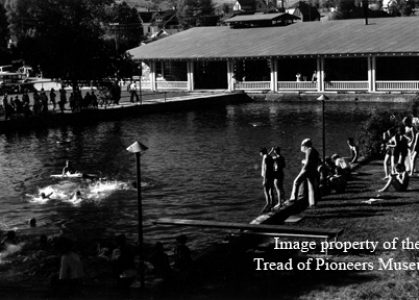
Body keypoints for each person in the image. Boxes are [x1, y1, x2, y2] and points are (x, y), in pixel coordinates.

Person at [289, 138, 321, 207]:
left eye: (303, 145)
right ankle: (313, 203)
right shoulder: (315, 151)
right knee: (311, 186)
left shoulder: (309, 150)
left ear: (306, 145)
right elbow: (316, 161)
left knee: (296, 182)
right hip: (313, 170)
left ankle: (293, 198)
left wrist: (303, 167)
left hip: (307, 170)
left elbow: (308, 162)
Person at [260, 147, 275, 212]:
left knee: (266, 191)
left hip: (267, 177)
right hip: (272, 176)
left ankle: (268, 204)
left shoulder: (265, 158)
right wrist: (271, 151)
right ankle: (272, 204)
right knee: (271, 190)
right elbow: (267, 155)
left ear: (261, 153)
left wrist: (264, 180)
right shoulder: (269, 156)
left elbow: (266, 169)